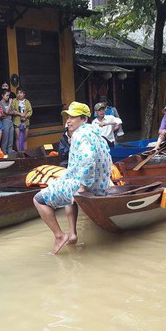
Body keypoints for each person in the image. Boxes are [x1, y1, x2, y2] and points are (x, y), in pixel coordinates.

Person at [33, 102, 112, 254]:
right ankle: (73, 233)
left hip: (86, 186)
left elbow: (88, 159)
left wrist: (83, 186)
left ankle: (59, 235)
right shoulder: (96, 134)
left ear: (84, 119)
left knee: (38, 199)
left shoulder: (80, 134)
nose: (68, 120)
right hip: (101, 185)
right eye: (68, 117)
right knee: (65, 185)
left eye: (73, 117)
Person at [0, 89, 15, 154]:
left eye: (8, 95)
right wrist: (10, 104)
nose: (8, 97)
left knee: (11, 137)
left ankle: (10, 150)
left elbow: (13, 112)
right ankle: (4, 152)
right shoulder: (0, 103)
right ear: (2, 95)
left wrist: (7, 112)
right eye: (7, 95)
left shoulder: (8, 103)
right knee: (5, 138)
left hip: (10, 120)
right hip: (4, 121)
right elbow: (6, 111)